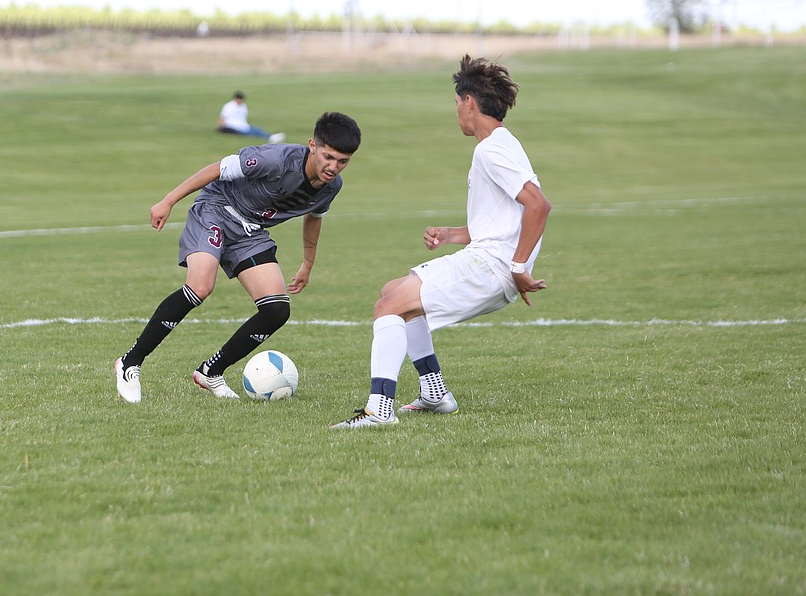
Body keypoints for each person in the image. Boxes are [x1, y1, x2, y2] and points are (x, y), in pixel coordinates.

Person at [332, 55, 551, 429]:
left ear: (469, 102)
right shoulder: (503, 143)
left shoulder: (491, 150)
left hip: (491, 267)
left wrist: (518, 268)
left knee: (387, 308)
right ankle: (434, 392)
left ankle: (379, 410)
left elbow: (538, 206)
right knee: (392, 292)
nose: (457, 114)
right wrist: (451, 235)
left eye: (456, 105)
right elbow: (504, 219)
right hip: (491, 261)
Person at [114, 111, 362, 403]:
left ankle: (210, 371)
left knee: (277, 310)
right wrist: (168, 201)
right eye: (328, 157)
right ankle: (130, 362)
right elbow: (216, 169)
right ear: (312, 145)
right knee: (200, 287)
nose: (333, 167)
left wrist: (308, 263)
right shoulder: (275, 159)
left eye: (342, 161)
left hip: (250, 232)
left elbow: (314, 217)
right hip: (216, 209)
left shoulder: (331, 187)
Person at [217, 91, 284, 143]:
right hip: (235, 127)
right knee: (253, 133)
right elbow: (223, 117)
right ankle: (270, 137)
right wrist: (221, 127)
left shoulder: (243, 106)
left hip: (243, 125)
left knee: (257, 130)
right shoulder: (229, 106)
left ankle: (270, 136)